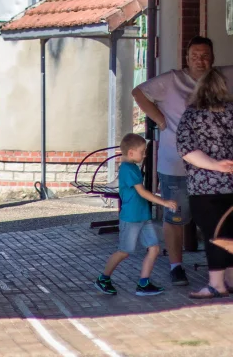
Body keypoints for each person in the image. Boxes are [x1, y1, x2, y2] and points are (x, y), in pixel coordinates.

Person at [132, 36, 233, 286]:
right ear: (186, 59)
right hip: (176, 163)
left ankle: (222, 276)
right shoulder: (171, 80)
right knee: (176, 216)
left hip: (215, 174)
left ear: (213, 57)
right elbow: (138, 92)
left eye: (206, 55)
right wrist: (161, 120)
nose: (201, 60)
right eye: (195, 55)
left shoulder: (223, 76)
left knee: (220, 224)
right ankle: (176, 266)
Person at [94, 133, 177, 296]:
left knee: (153, 248)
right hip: (131, 218)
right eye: (142, 151)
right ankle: (103, 278)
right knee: (124, 251)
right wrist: (164, 202)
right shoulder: (128, 169)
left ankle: (144, 283)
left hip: (143, 216)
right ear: (131, 152)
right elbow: (142, 192)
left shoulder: (132, 167)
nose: (145, 154)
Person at [176, 68, 233, 299]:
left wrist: (213, 164)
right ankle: (230, 280)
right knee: (230, 232)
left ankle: (216, 284)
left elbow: (186, 150)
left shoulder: (192, 115)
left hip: (204, 188)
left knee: (215, 234)